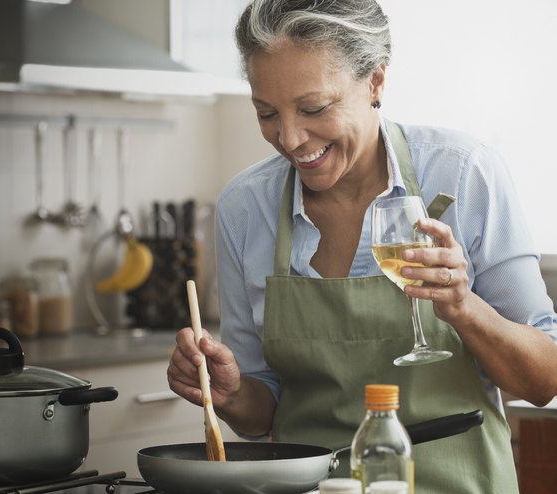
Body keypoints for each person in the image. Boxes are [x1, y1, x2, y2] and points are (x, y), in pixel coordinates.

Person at [167, 0, 557, 491]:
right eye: (266, 113)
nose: (289, 138)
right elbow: (260, 411)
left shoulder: (463, 173)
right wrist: (229, 394)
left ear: (375, 82)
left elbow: (544, 381)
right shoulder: (245, 208)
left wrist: (464, 308)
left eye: (313, 108)